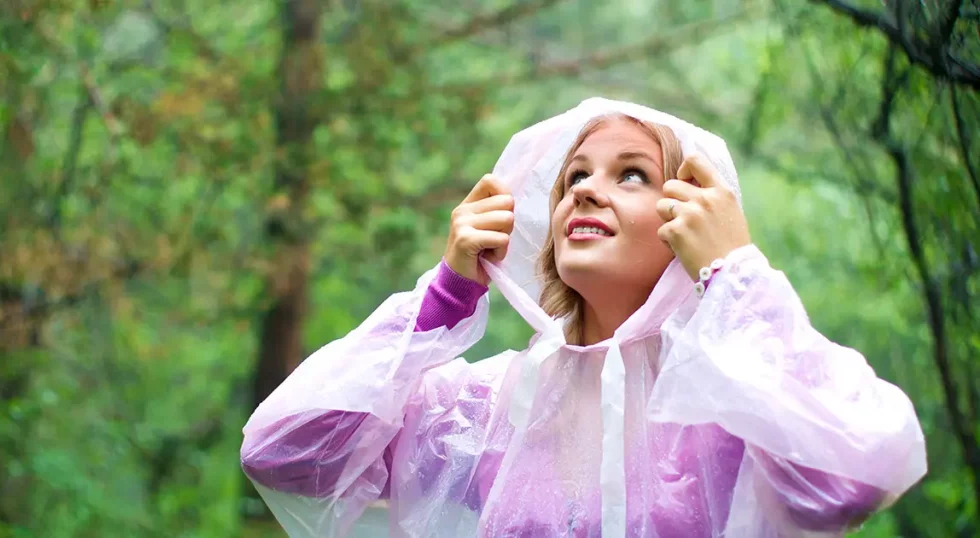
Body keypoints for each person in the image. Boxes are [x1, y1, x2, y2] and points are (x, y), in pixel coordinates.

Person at [239, 98, 927, 537]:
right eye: (574, 178)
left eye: (632, 174)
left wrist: (734, 275)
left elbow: (850, 478)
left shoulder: (729, 403)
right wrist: (443, 297)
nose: (589, 189)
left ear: (690, 219)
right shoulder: (491, 408)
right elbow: (285, 452)